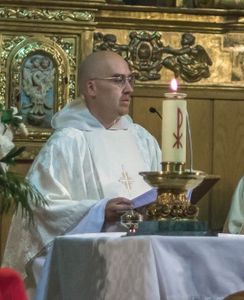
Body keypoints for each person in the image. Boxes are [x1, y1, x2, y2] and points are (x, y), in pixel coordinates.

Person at [2, 51, 161, 289]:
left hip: (143, 260)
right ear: (91, 88)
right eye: (119, 80)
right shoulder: (67, 143)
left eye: (131, 79)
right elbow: (40, 209)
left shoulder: (142, 140)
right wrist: (98, 211)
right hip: (90, 271)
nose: (129, 88)